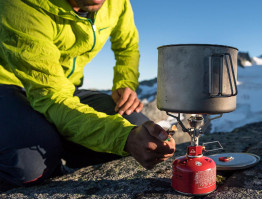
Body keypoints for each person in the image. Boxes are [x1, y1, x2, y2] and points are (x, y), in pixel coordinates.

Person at [0, 0, 176, 186]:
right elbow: (52, 97)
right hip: (9, 84)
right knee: (28, 168)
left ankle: (59, 147)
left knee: (137, 126)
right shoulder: (20, 6)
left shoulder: (116, 3)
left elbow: (127, 46)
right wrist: (122, 137)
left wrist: (124, 83)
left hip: (65, 86)